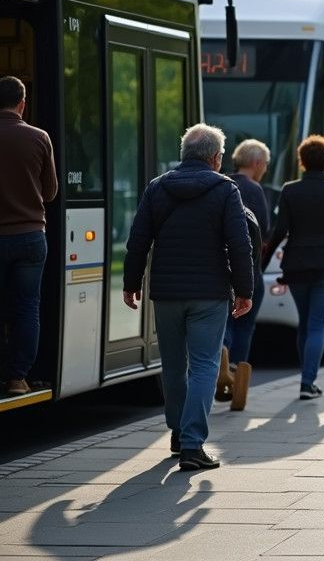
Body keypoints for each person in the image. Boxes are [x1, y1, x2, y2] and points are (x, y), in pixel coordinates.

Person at [122, 124, 253, 471]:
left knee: (173, 366)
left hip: (166, 293)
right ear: (214, 157)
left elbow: (138, 241)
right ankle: (194, 444)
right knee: (205, 367)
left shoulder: (157, 188)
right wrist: (245, 291)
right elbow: (240, 245)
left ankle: (178, 435)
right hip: (209, 294)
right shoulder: (226, 190)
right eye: (222, 156)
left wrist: (130, 283)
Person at [265, 135, 324, 400]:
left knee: (305, 323)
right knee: (317, 324)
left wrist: (262, 262)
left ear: (302, 161)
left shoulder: (289, 190)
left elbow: (279, 230)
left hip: (295, 266)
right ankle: (308, 383)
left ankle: (306, 378)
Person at [0, 77, 57, 396]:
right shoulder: (39, 138)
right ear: (23, 103)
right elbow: (50, 191)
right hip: (30, 237)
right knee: (26, 307)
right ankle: (18, 377)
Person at [215, 139, 271, 411]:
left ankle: (221, 357)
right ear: (257, 163)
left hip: (219, 267)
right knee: (245, 325)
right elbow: (263, 234)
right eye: (266, 164)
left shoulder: (219, 182)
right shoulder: (254, 189)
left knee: (224, 321)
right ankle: (236, 380)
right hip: (248, 268)